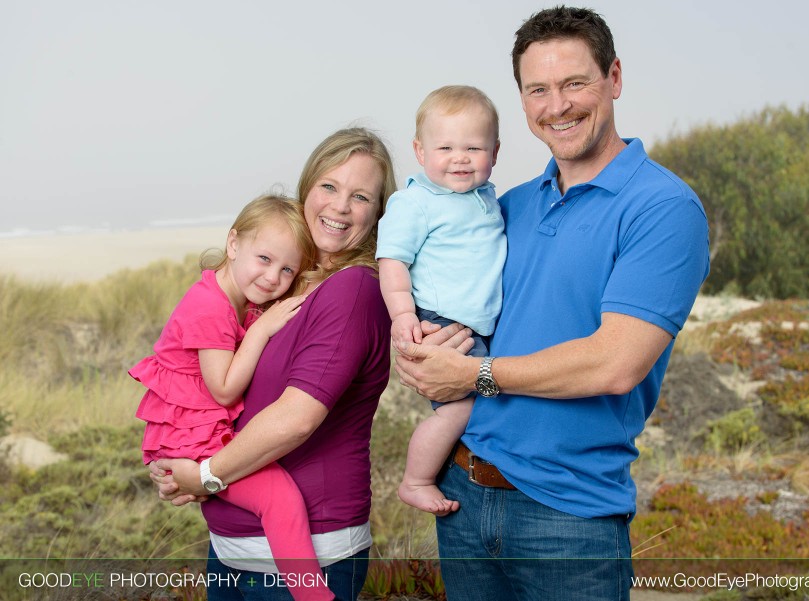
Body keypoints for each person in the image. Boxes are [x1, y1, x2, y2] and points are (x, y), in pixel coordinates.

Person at [393, 6, 710, 601]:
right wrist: (412, 338)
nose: (557, 105)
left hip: (568, 518)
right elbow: (447, 298)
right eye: (538, 89)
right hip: (462, 498)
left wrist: (473, 374)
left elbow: (615, 365)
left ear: (614, 78)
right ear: (522, 101)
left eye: (574, 83)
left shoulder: (663, 209)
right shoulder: (506, 205)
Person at [149, 127, 414, 601]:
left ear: (378, 214)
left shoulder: (353, 289)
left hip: (309, 551)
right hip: (233, 549)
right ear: (307, 188)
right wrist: (185, 463)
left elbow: (294, 421)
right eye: (329, 187)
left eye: (360, 197)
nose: (339, 206)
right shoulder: (287, 284)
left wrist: (208, 474)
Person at [129, 194, 332, 600]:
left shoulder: (233, 298)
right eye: (264, 258)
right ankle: (313, 595)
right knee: (280, 499)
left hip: (195, 435)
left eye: (287, 268)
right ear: (234, 243)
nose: (273, 277)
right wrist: (261, 330)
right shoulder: (210, 307)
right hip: (191, 437)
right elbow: (222, 388)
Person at [376, 85, 506, 516]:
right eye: (446, 147)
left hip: (476, 323)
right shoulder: (415, 202)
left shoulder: (485, 197)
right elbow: (393, 260)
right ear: (420, 150)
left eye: (474, 147)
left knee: (487, 405)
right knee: (460, 409)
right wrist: (402, 314)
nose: (461, 157)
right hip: (441, 320)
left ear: (495, 151)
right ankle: (416, 480)